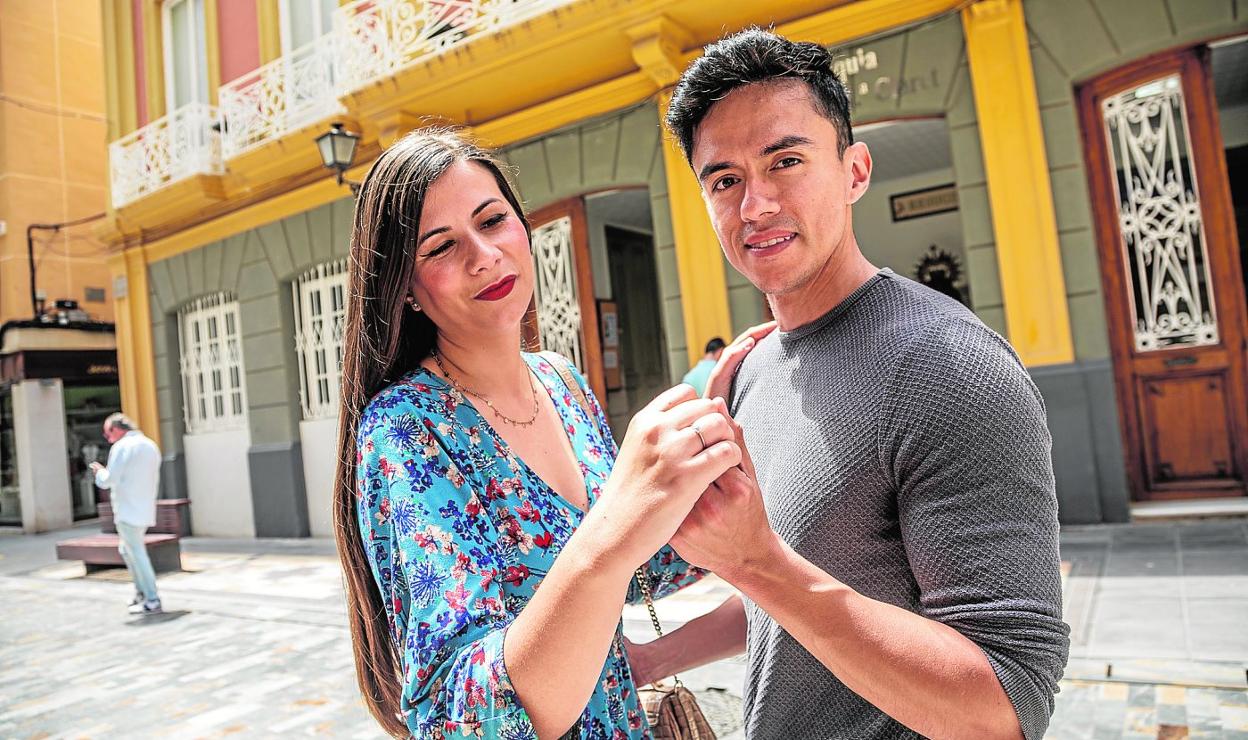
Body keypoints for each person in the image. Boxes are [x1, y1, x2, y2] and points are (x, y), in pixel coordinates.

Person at [625, 29, 1070, 740]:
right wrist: (651, 657)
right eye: (725, 180)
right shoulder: (753, 371)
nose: (755, 206)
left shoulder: (949, 367)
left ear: (855, 171)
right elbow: (812, 585)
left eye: (787, 161)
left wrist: (758, 563)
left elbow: (1006, 704)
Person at [332, 128, 758, 739]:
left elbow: (644, 570)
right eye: (442, 247)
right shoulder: (406, 430)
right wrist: (617, 525)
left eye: (493, 220)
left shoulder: (560, 380)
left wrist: (715, 450)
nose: (483, 255)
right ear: (406, 289)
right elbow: (467, 718)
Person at [89, 412, 163, 616]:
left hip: (127, 511)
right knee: (127, 550)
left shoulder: (121, 447)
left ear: (116, 429)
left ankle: (151, 598)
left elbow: (109, 480)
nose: (108, 438)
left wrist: (99, 472)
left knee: (137, 554)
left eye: (107, 433)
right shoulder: (149, 445)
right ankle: (142, 593)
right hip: (144, 509)